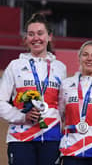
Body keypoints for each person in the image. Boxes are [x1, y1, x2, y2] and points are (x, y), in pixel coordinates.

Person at [0, 12, 67, 165]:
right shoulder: (15, 66)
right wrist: (22, 117)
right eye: (31, 34)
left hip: (51, 138)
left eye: (40, 33)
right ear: (26, 39)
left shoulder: (59, 68)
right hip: (20, 138)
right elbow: (1, 102)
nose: (36, 38)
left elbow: (63, 106)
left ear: (49, 36)